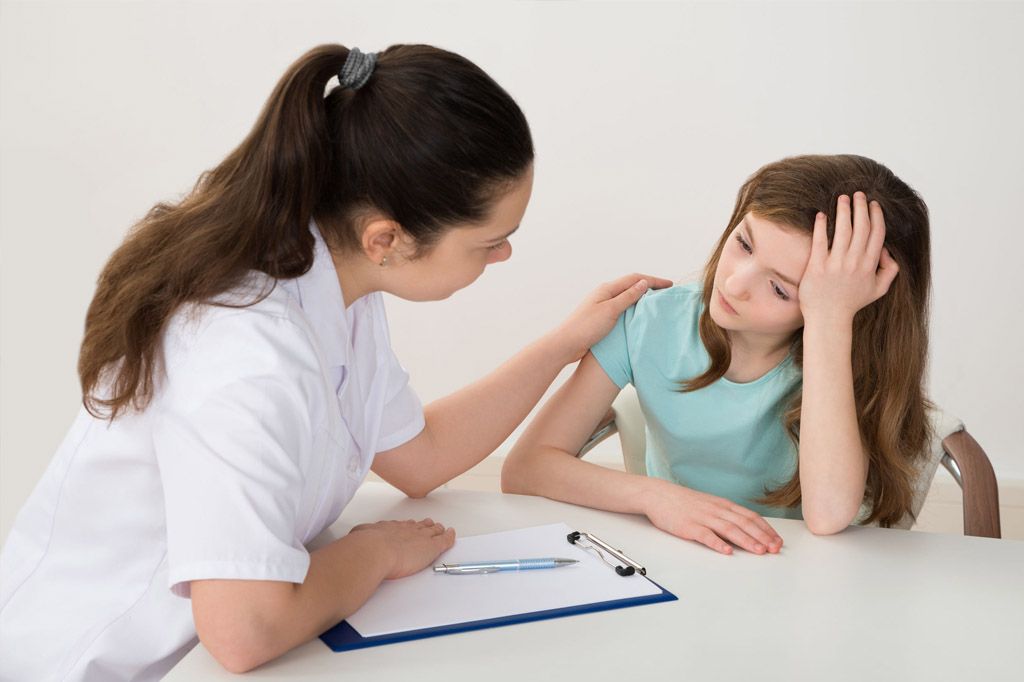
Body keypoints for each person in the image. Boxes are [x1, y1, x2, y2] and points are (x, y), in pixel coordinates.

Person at [0, 44, 670, 680]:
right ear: (387, 238)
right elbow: (243, 631)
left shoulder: (336, 282)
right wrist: (374, 552)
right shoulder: (247, 357)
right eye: (491, 242)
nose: (504, 259)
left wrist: (565, 344)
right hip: (96, 664)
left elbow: (420, 455)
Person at [502, 154, 932, 556]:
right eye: (744, 244)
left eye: (781, 288)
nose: (735, 284)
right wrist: (658, 497)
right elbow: (525, 469)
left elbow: (828, 515)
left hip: (809, 568)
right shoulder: (648, 321)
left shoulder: (845, 356)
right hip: (686, 558)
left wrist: (828, 321)